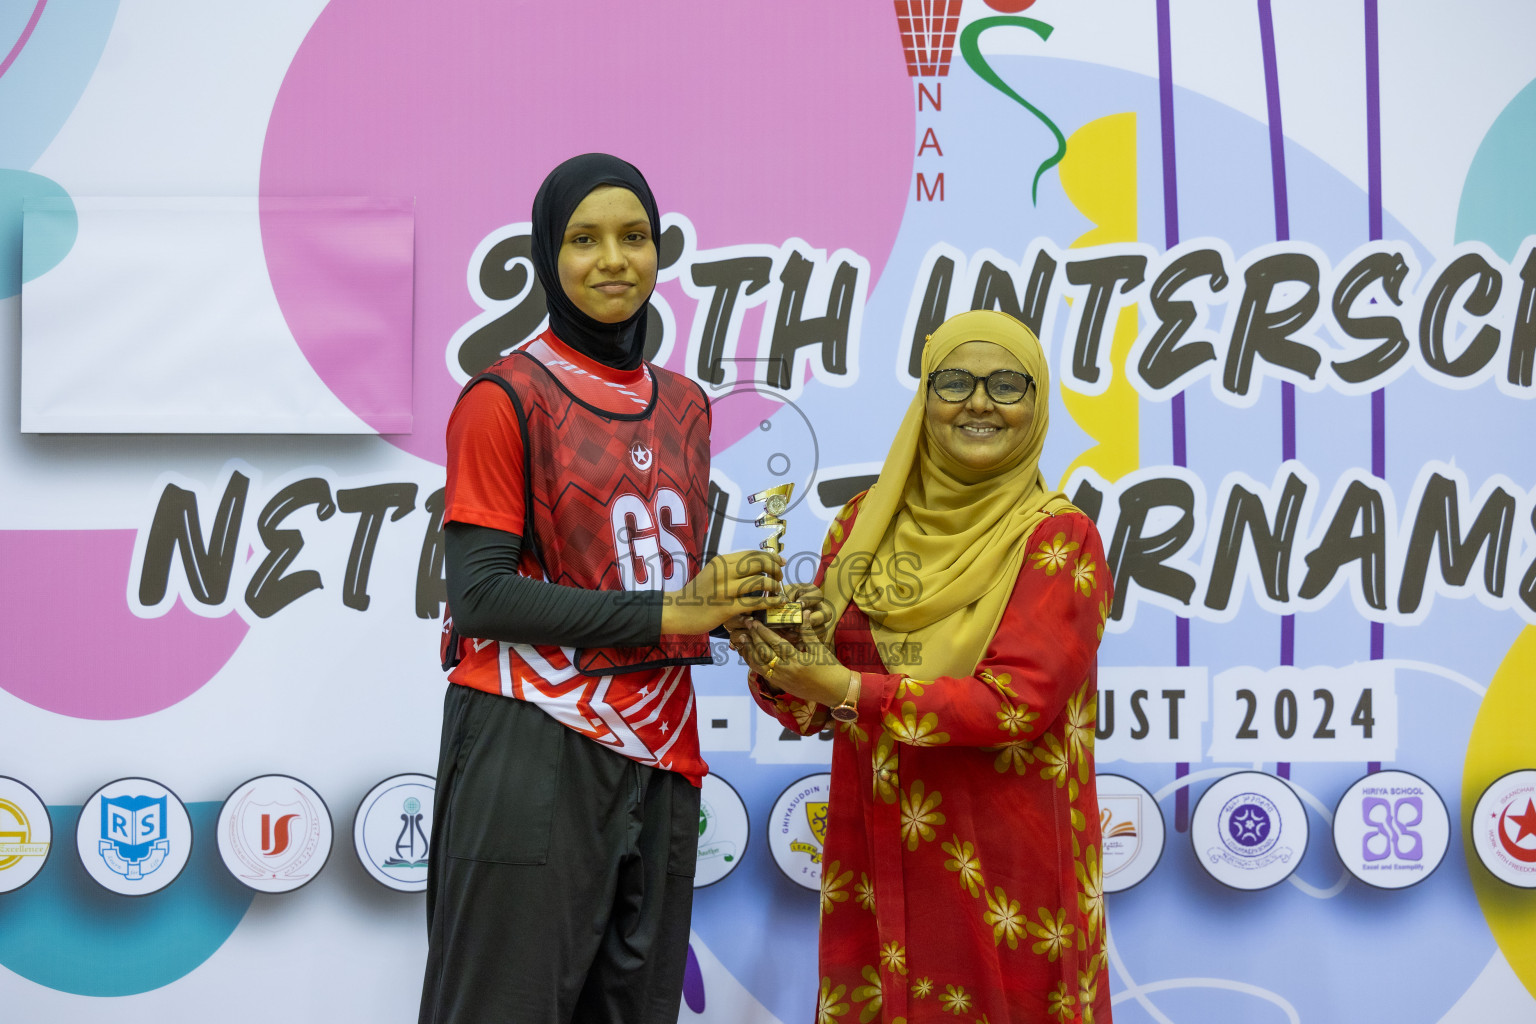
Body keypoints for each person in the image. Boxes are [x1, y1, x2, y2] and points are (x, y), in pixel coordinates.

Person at [420, 153, 782, 1024]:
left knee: (633, 1008)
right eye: (584, 239)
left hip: (661, 748)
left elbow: (656, 585)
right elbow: (482, 596)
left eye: (634, 238)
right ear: (547, 255)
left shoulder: (689, 405)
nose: (613, 260)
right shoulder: (504, 397)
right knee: (502, 1006)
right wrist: (677, 610)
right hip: (533, 738)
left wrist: (746, 613)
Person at [736, 309, 1113, 1024]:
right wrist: (771, 654)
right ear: (923, 398)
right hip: (878, 851)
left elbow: (1014, 705)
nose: (979, 402)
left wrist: (844, 688)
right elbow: (820, 701)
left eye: (1008, 384)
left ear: (1037, 405)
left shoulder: (1061, 540)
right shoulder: (862, 524)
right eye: (955, 381)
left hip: (1008, 866)